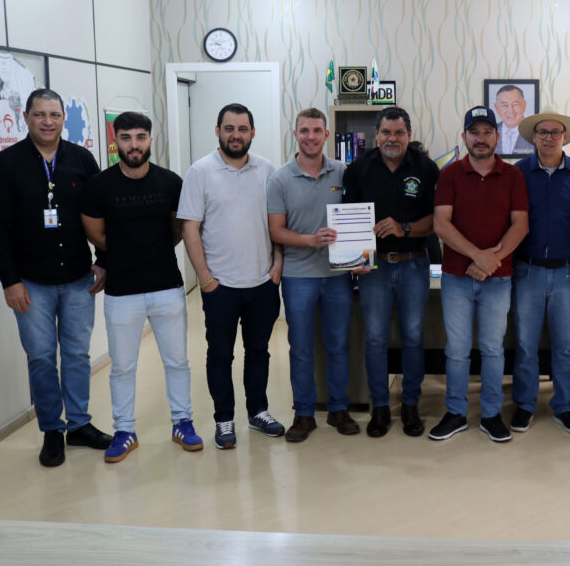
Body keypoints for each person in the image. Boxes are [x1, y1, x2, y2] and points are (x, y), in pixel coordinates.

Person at [0, 88, 112, 467]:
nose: (47, 121)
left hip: (78, 278)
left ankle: (79, 425)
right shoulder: (6, 164)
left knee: (76, 354)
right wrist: (10, 281)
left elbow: (102, 214)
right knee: (41, 357)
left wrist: (103, 260)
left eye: (54, 115)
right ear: (26, 117)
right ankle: (52, 431)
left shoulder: (81, 160)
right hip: (30, 283)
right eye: (39, 114)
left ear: (63, 119)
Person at [80, 111, 201, 463]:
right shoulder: (99, 186)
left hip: (167, 287)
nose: (134, 145)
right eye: (126, 137)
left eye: (140, 137)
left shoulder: (170, 182)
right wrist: (124, 253)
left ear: (150, 139)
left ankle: (182, 423)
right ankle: (124, 430)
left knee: (177, 361)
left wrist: (151, 250)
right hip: (121, 291)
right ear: (115, 140)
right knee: (122, 366)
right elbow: (95, 233)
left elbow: (179, 229)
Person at [178, 103, 285, 450]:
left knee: (259, 352)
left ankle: (258, 412)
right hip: (220, 286)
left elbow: (278, 223)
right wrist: (205, 279)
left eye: (242, 129)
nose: (235, 135)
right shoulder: (200, 171)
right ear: (217, 131)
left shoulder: (267, 170)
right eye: (229, 128)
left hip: (262, 283)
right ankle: (224, 418)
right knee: (220, 355)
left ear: (252, 132)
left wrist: (277, 266)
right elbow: (190, 228)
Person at [429, 105, 529, 443]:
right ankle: (456, 413)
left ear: (497, 137)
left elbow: (521, 225)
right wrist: (478, 256)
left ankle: (491, 415)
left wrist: (491, 261)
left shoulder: (513, 176)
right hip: (457, 277)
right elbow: (441, 224)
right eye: (475, 132)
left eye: (487, 132)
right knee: (456, 350)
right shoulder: (449, 174)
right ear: (464, 137)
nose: (481, 138)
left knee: (492, 349)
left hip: (498, 279)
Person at [343, 107, 439, 438]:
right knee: (374, 339)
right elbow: (349, 220)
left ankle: (410, 405)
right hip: (375, 267)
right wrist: (353, 261)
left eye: (399, 133)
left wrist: (404, 227)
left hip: (414, 264)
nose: (392, 139)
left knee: (413, 337)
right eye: (386, 132)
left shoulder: (426, 168)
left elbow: (436, 221)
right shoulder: (358, 169)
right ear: (376, 135)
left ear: (409, 135)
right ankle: (380, 407)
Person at [267, 107, 359, 441]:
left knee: (338, 345)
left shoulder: (343, 172)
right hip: (298, 276)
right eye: (304, 130)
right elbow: (276, 231)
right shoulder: (279, 179)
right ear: (296, 134)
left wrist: (361, 253)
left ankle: (338, 409)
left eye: (317, 130)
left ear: (326, 135)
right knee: (301, 348)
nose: (311, 137)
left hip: (338, 275)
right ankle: (304, 413)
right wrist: (310, 240)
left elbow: (356, 218)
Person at [509, 111, 570, 434]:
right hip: (527, 270)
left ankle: (564, 406)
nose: (548, 137)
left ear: (565, 137)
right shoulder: (518, 173)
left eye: (555, 132)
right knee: (525, 344)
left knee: (565, 345)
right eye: (542, 132)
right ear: (533, 137)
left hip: (567, 272)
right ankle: (525, 405)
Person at [493, 85, 534, 155]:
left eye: (515, 104)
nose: (511, 111)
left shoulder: (534, 133)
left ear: (524, 105)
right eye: (504, 105)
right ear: (497, 107)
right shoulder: (490, 132)